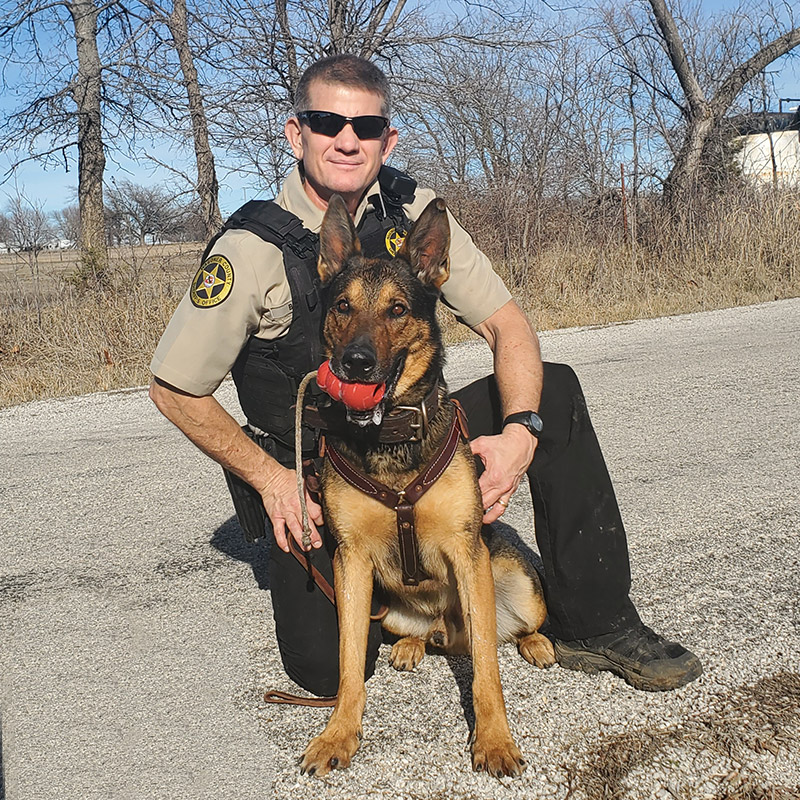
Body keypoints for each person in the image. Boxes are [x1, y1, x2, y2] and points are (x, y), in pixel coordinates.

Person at [149, 54, 702, 697]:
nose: (346, 139)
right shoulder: (252, 249)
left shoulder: (414, 211)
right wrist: (271, 480)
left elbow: (507, 325)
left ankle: (599, 620)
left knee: (554, 386)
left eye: (365, 125)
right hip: (318, 467)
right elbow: (174, 387)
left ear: (388, 139)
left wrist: (520, 433)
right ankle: (401, 601)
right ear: (296, 134)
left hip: (415, 429)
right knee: (324, 672)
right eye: (326, 121)